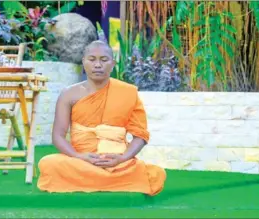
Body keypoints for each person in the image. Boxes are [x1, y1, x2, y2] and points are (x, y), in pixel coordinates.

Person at [37, 40, 166, 196]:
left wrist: (122, 158)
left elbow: (140, 135)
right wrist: (79, 156)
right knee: (49, 163)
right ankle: (112, 182)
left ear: (113, 64)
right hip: (80, 160)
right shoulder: (68, 94)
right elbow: (58, 136)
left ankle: (97, 180)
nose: (97, 65)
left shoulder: (127, 92)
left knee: (156, 173)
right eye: (92, 59)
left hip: (117, 162)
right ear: (83, 62)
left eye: (104, 60)